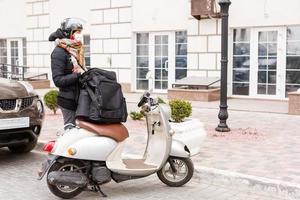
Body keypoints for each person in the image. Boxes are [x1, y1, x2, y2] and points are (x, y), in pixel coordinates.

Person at [49, 18, 85, 129]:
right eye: (76, 32)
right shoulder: (59, 52)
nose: (79, 35)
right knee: (71, 131)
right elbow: (58, 80)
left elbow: (81, 70)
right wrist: (78, 75)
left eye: (80, 32)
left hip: (78, 97)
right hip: (68, 100)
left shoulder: (76, 50)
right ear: (68, 33)